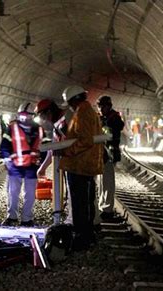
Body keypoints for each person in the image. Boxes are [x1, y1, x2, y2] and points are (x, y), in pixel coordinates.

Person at [58, 85, 104, 251]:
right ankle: (88, 235)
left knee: (79, 204)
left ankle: (81, 238)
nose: (69, 106)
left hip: (79, 164)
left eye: (69, 102)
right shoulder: (88, 110)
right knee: (87, 202)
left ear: (73, 100)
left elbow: (85, 140)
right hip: (86, 164)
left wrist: (65, 150)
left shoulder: (83, 113)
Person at [0, 102, 43, 227]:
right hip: (15, 166)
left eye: (26, 115)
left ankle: (26, 218)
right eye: (21, 115)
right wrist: (6, 159)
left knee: (30, 193)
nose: (23, 117)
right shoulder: (12, 128)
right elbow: (5, 145)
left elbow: (45, 145)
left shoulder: (38, 129)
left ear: (32, 116)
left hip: (32, 166)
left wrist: (43, 161)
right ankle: (12, 217)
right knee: (13, 192)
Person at [34, 98, 73, 225]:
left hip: (78, 163)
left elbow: (74, 142)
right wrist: (42, 168)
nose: (45, 120)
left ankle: (77, 223)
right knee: (73, 193)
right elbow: (53, 149)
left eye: (43, 116)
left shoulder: (67, 119)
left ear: (49, 111)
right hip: (71, 163)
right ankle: (74, 220)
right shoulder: (58, 123)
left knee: (77, 194)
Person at [97, 95, 125, 220]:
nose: (101, 109)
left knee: (107, 181)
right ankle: (102, 206)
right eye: (100, 107)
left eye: (103, 106)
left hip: (108, 154)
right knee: (102, 181)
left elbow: (111, 134)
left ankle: (107, 209)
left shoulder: (114, 119)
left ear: (108, 106)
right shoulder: (104, 118)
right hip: (101, 153)